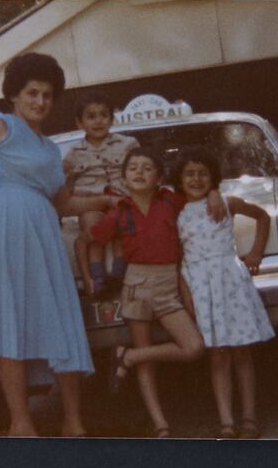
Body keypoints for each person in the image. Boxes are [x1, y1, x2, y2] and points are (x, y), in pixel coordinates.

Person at [0, 53, 117, 438]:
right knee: (9, 320)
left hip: (40, 229)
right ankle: (21, 422)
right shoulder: (1, 125)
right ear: (15, 96)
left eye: (48, 95)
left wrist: (105, 202)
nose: (40, 101)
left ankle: (73, 421)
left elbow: (62, 203)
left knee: (60, 317)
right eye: (32, 92)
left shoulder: (50, 150)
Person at [78, 146, 225, 438]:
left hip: (168, 284)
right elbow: (84, 242)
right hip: (136, 285)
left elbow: (197, 197)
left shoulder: (171, 201)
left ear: (159, 177)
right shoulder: (119, 213)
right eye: (133, 168)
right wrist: (87, 278)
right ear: (124, 178)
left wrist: (214, 192)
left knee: (193, 347)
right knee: (149, 366)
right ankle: (160, 424)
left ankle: (128, 357)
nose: (140, 173)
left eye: (147, 168)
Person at [173, 146, 275, 439]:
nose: (196, 179)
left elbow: (262, 216)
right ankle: (226, 422)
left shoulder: (226, 202)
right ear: (179, 180)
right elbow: (180, 257)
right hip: (200, 286)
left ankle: (249, 418)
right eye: (189, 174)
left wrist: (255, 252)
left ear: (213, 178)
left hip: (230, 282)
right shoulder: (177, 213)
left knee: (241, 351)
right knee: (217, 355)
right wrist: (186, 292)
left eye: (203, 173)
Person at [63, 91, 139, 296]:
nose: (98, 121)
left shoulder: (127, 144)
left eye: (103, 115)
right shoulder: (72, 155)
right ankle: (98, 276)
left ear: (111, 119)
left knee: (122, 228)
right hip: (90, 203)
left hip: (122, 199)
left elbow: (140, 174)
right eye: (91, 116)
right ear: (79, 123)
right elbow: (66, 190)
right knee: (93, 226)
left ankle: (119, 273)